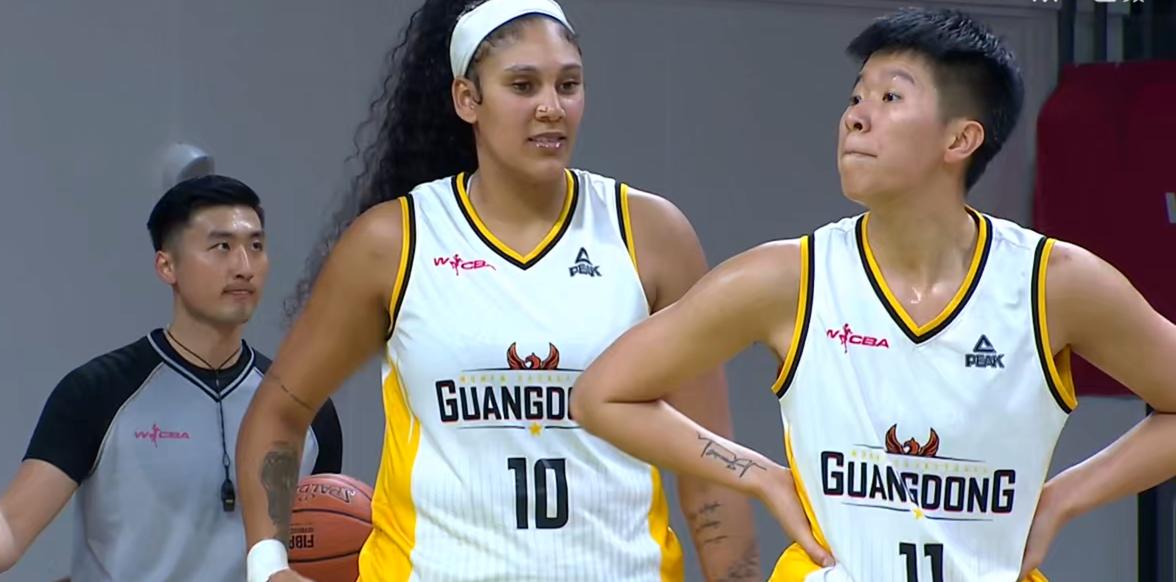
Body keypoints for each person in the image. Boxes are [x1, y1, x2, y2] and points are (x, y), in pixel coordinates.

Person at [572, 6, 1176, 582]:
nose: (856, 117)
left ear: (960, 139)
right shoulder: (788, 278)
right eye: (855, 97)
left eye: (890, 98)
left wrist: (1062, 500)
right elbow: (602, 394)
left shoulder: (1053, 283)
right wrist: (759, 476)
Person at [234, 1, 786, 580]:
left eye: (568, 85)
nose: (551, 107)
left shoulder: (650, 235)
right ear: (467, 99)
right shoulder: (394, 242)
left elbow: (710, 466)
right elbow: (279, 412)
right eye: (523, 85)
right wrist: (268, 566)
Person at [0, 175, 343, 582]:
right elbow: (10, 523)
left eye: (255, 246)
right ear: (167, 266)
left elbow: (321, 540)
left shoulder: (304, 408)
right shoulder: (97, 393)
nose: (244, 267)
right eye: (222, 247)